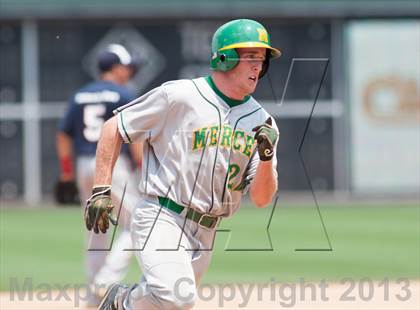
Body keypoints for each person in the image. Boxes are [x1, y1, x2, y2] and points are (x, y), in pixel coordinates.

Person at [86, 19, 281, 310]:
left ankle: (121, 304)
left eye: (262, 58)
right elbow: (114, 128)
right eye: (250, 56)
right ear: (225, 58)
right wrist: (102, 189)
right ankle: (121, 300)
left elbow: (263, 199)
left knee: (165, 303)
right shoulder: (180, 95)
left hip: (208, 230)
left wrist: (265, 159)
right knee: (180, 298)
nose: (258, 65)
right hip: (162, 215)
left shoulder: (262, 122)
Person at [56, 44, 142, 307]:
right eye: (127, 67)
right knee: (136, 223)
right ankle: (105, 279)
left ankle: (94, 297)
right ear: (116, 68)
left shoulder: (80, 95)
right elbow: (133, 133)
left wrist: (67, 174)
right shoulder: (122, 93)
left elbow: (63, 135)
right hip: (112, 165)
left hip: (83, 163)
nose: (129, 72)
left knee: (96, 227)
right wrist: (141, 165)